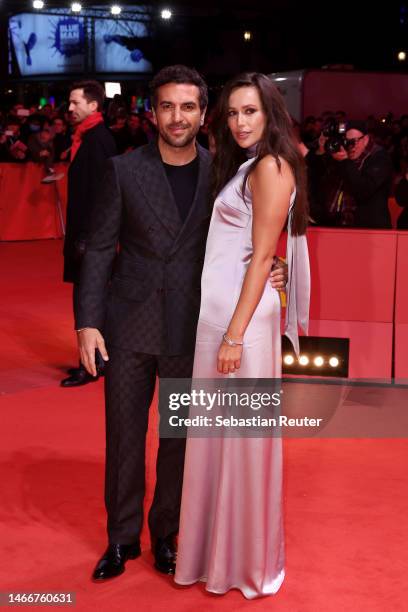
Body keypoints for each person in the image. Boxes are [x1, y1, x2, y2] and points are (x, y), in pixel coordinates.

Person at [75, 65, 287, 581]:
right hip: (128, 325)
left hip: (192, 329)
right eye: (167, 106)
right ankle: (121, 540)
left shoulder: (222, 171)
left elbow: (250, 239)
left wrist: (273, 266)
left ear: (201, 113)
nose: (177, 116)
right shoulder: (125, 170)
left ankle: (165, 535)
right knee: (124, 438)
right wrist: (87, 321)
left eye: (188, 107)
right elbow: (100, 246)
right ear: (154, 112)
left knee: (178, 441)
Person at [174, 72, 310, 598]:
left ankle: (246, 562)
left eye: (250, 111)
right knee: (215, 439)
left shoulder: (273, 165)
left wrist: (233, 335)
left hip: (241, 324)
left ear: (270, 113)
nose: (239, 122)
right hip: (220, 319)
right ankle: (215, 555)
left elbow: (258, 262)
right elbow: (255, 251)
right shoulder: (249, 166)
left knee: (242, 442)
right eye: (232, 113)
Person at [61, 80, 117, 388]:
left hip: (92, 239)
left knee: (88, 300)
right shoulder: (87, 137)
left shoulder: (98, 140)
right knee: (88, 298)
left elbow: (104, 195)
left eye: (75, 103)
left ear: (93, 105)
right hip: (86, 236)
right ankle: (95, 360)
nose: (69, 108)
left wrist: (92, 239)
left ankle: (92, 363)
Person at [307, 120, 393, 228]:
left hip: (368, 229)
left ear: (366, 140)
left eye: (354, 141)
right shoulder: (339, 156)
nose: (351, 146)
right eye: (347, 141)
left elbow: (363, 189)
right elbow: (316, 182)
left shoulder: (379, 158)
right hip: (334, 226)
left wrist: (344, 161)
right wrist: (321, 151)